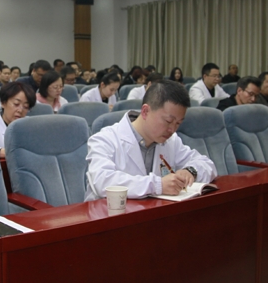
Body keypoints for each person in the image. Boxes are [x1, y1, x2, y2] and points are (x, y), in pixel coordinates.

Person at [85, 79, 217, 201]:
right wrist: (157, 185)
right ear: (145, 111)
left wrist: (190, 171)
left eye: (178, 123)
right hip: (109, 216)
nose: (172, 129)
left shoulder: (171, 141)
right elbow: (102, 181)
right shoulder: (104, 140)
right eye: (168, 121)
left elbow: (207, 164)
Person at [0, 81, 36, 158]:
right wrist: (1, 151)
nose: (20, 110)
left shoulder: (31, 125)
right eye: (16, 104)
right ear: (3, 103)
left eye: (25, 106)